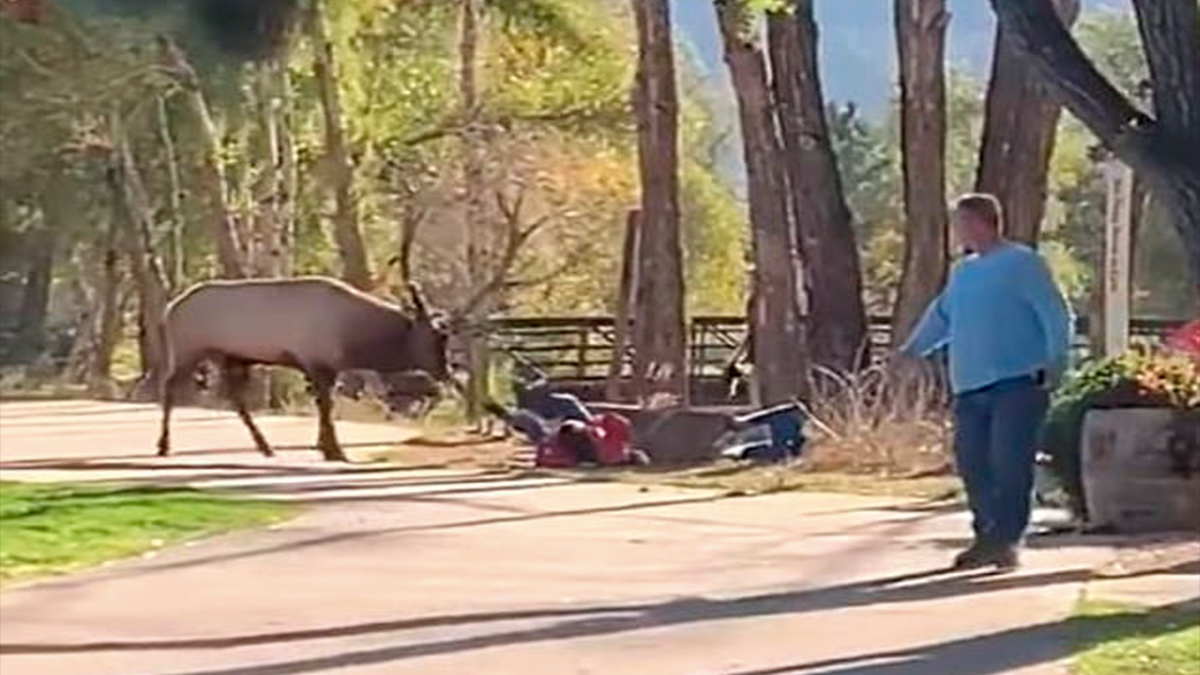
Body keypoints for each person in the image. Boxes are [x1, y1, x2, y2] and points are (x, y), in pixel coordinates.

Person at [900, 193, 1073, 572]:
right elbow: (942, 316)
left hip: (1018, 382)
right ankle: (986, 535)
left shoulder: (1023, 264)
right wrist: (912, 350)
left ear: (983, 222)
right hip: (970, 385)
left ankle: (1006, 540)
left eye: (962, 223)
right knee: (973, 463)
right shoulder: (964, 272)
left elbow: (1055, 315)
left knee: (1010, 462)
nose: (958, 231)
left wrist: (1056, 362)